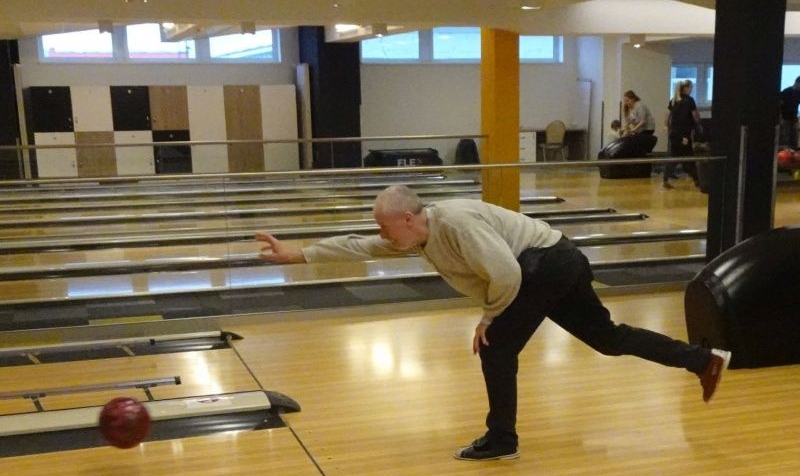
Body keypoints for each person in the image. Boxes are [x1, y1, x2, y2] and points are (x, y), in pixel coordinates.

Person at [256, 186, 731, 461]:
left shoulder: (455, 224)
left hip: (546, 264)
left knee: (496, 346)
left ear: (408, 218)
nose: (381, 233)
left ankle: (502, 439)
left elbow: (506, 274)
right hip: (558, 260)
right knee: (607, 338)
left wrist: (489, 317)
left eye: (385, 226)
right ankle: (703, 360)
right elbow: (359, 245)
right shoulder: (415, 236)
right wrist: (295, 254)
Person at [664, 80, 702, 189]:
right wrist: (698, 124)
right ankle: (697, 181)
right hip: (684, 134)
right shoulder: (689, 100)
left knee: (674, 156)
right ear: (686, 88)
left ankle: (665, 179)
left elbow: (667, 115)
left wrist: (666, 126)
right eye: (691, 87)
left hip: (674, 134)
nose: (691, 89)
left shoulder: (673, 100)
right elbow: (695, 116)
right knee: (689, 157)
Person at [779, 76, 800, 148]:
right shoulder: (786, 92)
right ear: (797, 83)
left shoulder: (799, 93)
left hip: (794, 118)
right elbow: (779, 105)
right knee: (785, 139)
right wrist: (780, 118)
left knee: (794, 139)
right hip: (785, 118)